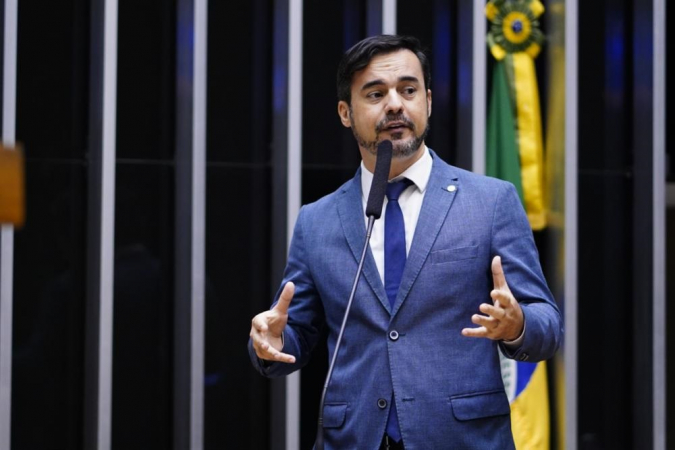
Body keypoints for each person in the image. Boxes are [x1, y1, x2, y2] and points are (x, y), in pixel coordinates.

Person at [248, 34, 562, 449]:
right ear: (346, 112)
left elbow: (548, 324)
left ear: (428, 102)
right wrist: (271, 343)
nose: (395, 104)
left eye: (408, 90)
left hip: (463, 439)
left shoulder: (490, 202)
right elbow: (296, 333)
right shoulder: (316, 221)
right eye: (375, 93)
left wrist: (518, 324)